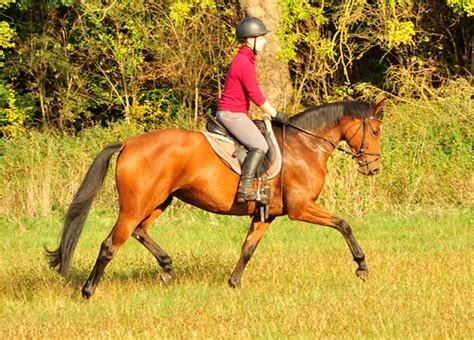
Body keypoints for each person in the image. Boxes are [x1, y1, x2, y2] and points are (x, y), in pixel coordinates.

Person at [216, 16, 289, 203]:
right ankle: (245, 188)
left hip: (235, 113)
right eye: (261, 38)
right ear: (250, 40)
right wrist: (276, 114)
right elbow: (256, 95)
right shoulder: (243, 63)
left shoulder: (246, 60)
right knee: (261, 145)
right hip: (232, 114)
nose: (264, 42)